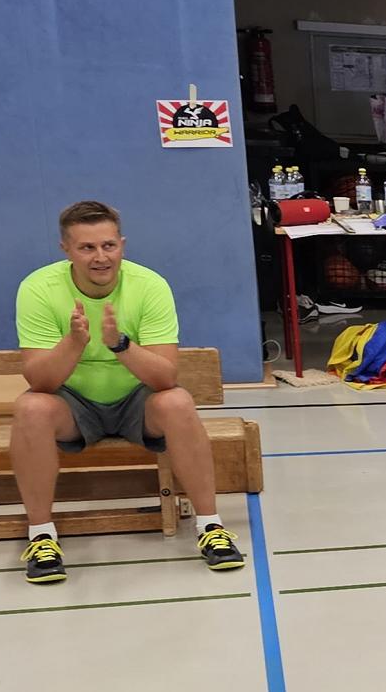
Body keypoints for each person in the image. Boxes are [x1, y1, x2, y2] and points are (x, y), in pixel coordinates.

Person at [12, 200, 243, 583]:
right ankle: (41, 537)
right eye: (87, 248)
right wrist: (74, 343)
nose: (100, 257)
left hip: (137, 400)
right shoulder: (38, 288)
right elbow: (40, 383)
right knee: (30, 408)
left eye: (108, 245)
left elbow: (165, 377)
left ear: (122, 244)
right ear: (66, 250)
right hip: (74, 404)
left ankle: (211, 527)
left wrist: (120, 345)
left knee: (178, 401)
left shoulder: (149, 285)